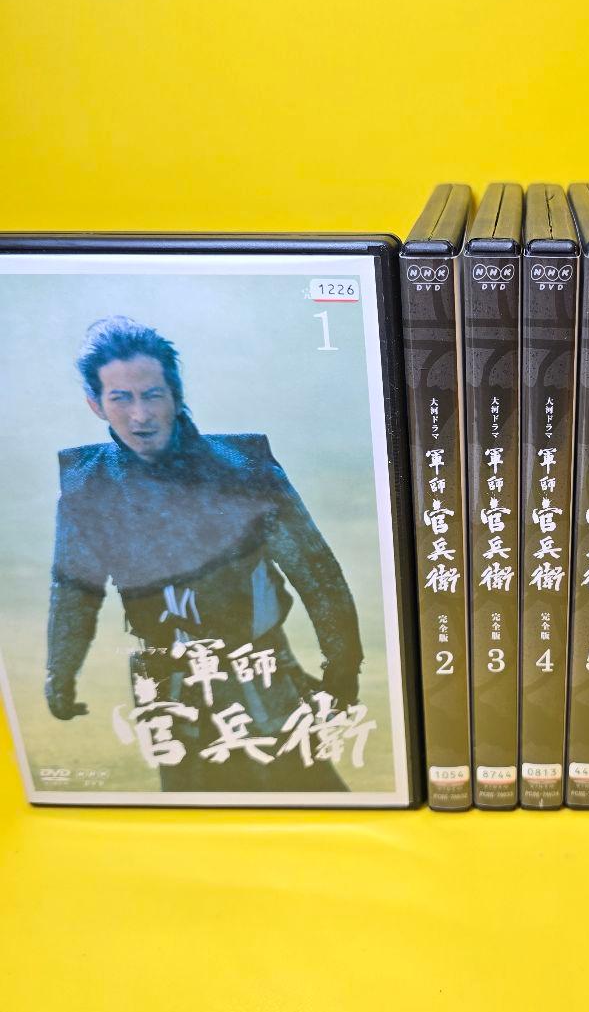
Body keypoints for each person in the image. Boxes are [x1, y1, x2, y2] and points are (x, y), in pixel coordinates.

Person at [45, 315, 366, 792]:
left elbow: (316, 573)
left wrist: (342, 667)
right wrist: (61, 671)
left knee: (309, 797)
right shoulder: (88, 487)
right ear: (96, 404)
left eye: (152, 395)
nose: (140, 415)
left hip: (261, 673)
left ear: (175, 396)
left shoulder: (243, 470)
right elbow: (75, 588)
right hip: (168, 686)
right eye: (121, 398)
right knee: (194, 806)